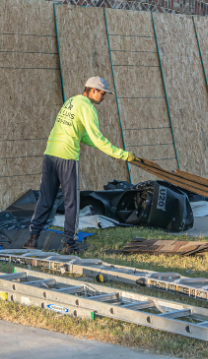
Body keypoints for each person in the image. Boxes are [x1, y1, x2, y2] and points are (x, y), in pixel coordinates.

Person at [25, 77, 136, 254]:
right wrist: (121, 154)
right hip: (67, 157)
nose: (104, 97)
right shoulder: (87, 107)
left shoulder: (71, 102)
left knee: (46, 199)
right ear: (92, 90)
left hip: (50, 154)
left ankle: (33, 239)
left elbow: (84, 136)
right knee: (71, 203)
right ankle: (70, 244)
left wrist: (107, 149)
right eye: (102, 93)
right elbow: (97, 138)